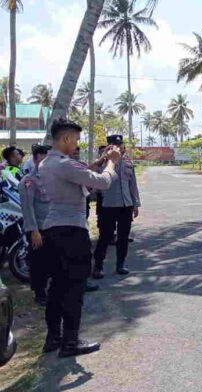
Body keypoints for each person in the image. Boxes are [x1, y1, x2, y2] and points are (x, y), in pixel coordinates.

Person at [39, 118, 121, 358]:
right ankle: (71, 341)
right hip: (72, 231)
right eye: (75, 139)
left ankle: (53, 337)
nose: (76, 144)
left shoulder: (47, 163)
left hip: (52, 229)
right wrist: (112, 164)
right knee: (74, 288)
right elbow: (103, 182)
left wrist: (100, 160)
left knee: (56, 286)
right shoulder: (65, 165)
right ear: (65, 138)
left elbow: (80, 173)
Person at [92, 135, 140, 278]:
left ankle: (120, 264)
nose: (119, 149)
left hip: (126, 205)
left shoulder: (127, 161)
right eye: (115, 146)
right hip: (108, 205)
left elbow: (133, 184)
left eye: (121, 146)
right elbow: (95, 178)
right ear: (109, 147)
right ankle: (98, 266)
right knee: (105, 237)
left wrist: (136, 204)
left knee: (123, 237)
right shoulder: (103, 162)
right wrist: (105, 157)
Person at [18, 145, 51, 306]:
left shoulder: (53, 178)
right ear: (37, 158)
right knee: (39, 264)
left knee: (54, 261)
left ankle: (51, 291)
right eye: (46, 157)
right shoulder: (29, 181)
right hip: (38, 230)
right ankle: (39, 293)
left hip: (54, 227)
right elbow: (27, 208)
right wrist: (34, 231)